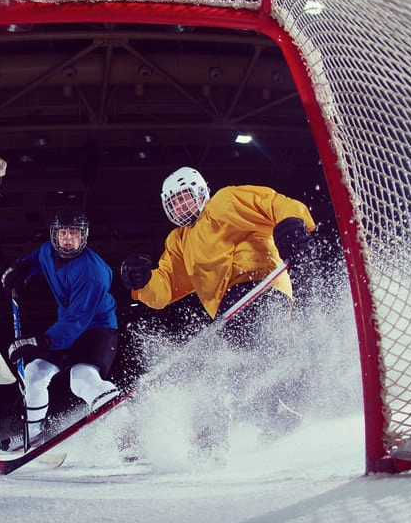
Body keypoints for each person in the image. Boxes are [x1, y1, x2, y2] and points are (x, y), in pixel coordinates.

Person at [119, 166, 318, 445]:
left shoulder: (225, 201)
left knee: (227, 361)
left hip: (259, 284)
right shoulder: (179, 241)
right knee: (240, 362)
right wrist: (143, 281)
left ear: (201, 192)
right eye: (173, 202)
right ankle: (274, 415)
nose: (180, 206)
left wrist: (291, 223)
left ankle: (214, 433)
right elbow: (165, 288)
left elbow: (274, 202)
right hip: (231, 308)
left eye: (185, 197)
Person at [0, 211, 120, 448]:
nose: (67, 238)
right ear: (54, 235)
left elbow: (77, 320)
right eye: (62, 232)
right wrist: (22, 267)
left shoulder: (93, 274)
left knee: (82, 378)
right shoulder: (48, 250)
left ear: (83, 236)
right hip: (65, 329)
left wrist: (40, 341)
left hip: (97, 330)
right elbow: (38, 259)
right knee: (34, 373)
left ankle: (126, 430)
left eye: (74, 233)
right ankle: (33, 435)